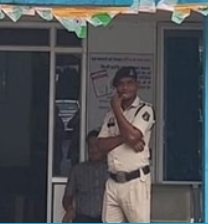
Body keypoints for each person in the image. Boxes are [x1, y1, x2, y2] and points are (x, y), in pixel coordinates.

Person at [96, 67, 155, 223]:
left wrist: (116, 108)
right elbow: (100, 145)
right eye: (121, 84)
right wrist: (127, 138)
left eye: (129, 83)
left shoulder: (144, 109)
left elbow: (133, 136)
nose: (125, 87)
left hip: (135, 181)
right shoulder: (110, 115)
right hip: (113, 181)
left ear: (137, 85)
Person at [62, 130, 109, 223]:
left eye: (96, 146)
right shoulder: (78, 170)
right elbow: (67, 198)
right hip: (83, 218)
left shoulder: (112, 170)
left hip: (106, 218)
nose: (93, 150)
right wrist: (70, 209)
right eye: (90, 146)